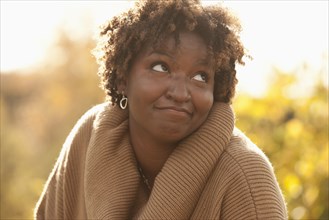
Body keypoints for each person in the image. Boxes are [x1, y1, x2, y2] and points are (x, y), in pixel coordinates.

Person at [34, 0, 287, 219]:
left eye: (200, 76)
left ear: (216, 88)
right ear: (123, 77)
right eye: (160, 67)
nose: (180, 93)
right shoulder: (89, 139)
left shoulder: (246, 178)